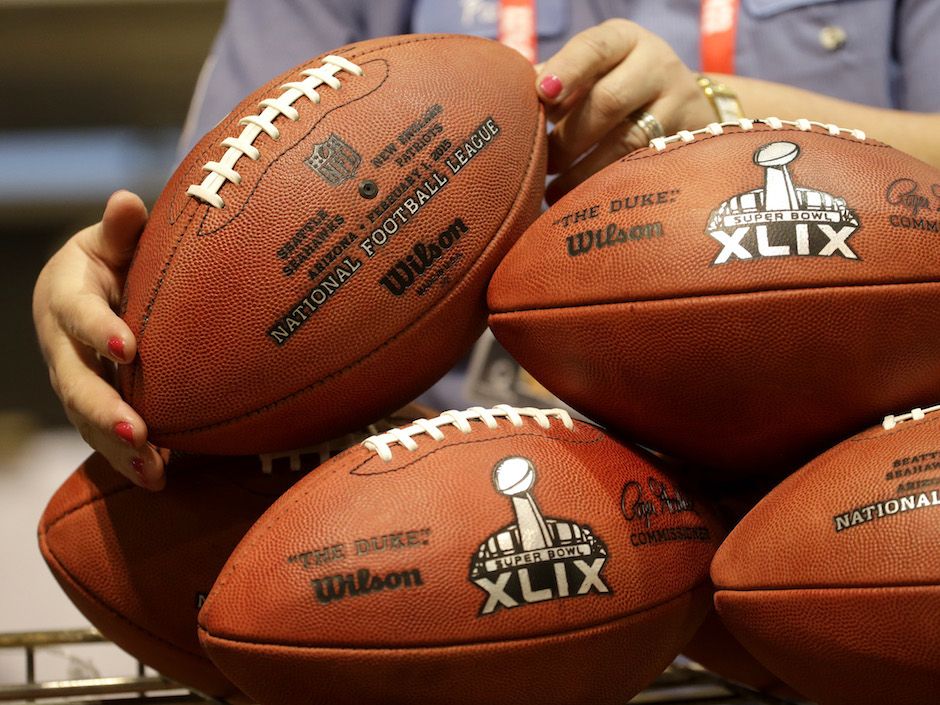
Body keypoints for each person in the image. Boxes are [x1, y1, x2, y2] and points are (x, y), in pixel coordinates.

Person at [33, 0, 940, 490]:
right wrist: (119, 300)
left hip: (829, 482)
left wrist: (725, 120)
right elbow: (231, 237)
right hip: (443, 510)